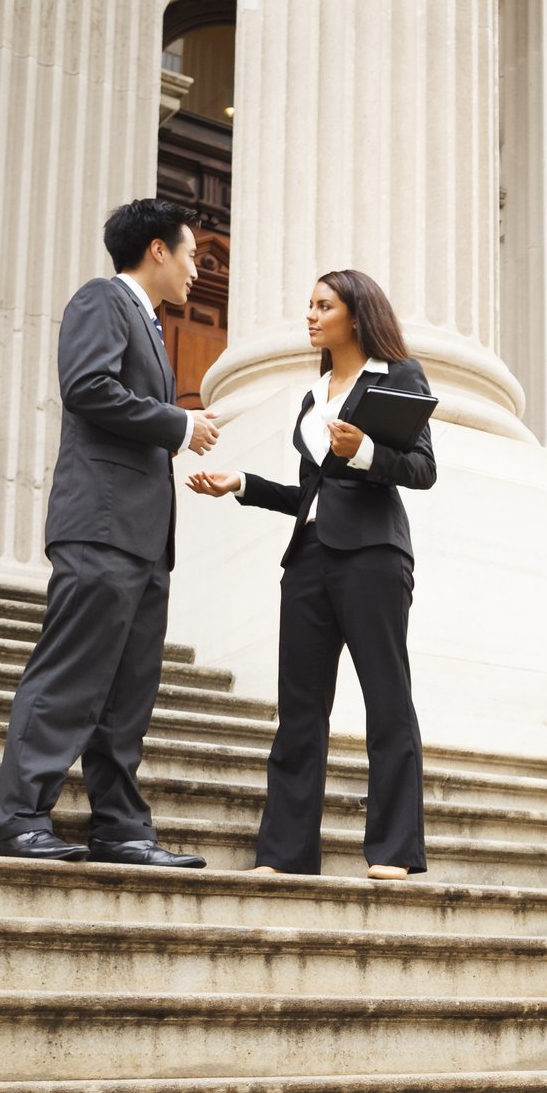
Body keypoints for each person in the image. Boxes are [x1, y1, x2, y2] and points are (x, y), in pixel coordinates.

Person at [186, 269, 436, 879]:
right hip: (308, 558)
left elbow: (423, 468)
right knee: (299, 710)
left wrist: (366, 451)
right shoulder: (313, 394)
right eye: (309, 305)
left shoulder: (397, 376)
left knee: (387, 701)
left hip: (374, 556)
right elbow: (309, 492)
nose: (311, 315)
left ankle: (394, 852)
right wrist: (241, 482)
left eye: (324, 305)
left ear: (355, 315)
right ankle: (284, 853)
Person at [0, 199, 219, 866]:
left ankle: (120, 828)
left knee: (126, 694)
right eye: (190, 254)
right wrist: (179, 425)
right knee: (70, 676)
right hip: (101, 525)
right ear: (156, 249)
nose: (196, 271)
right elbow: (87, 386)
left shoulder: (147, 324)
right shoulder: (102, 300)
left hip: (144, 540)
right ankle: (22, 820)